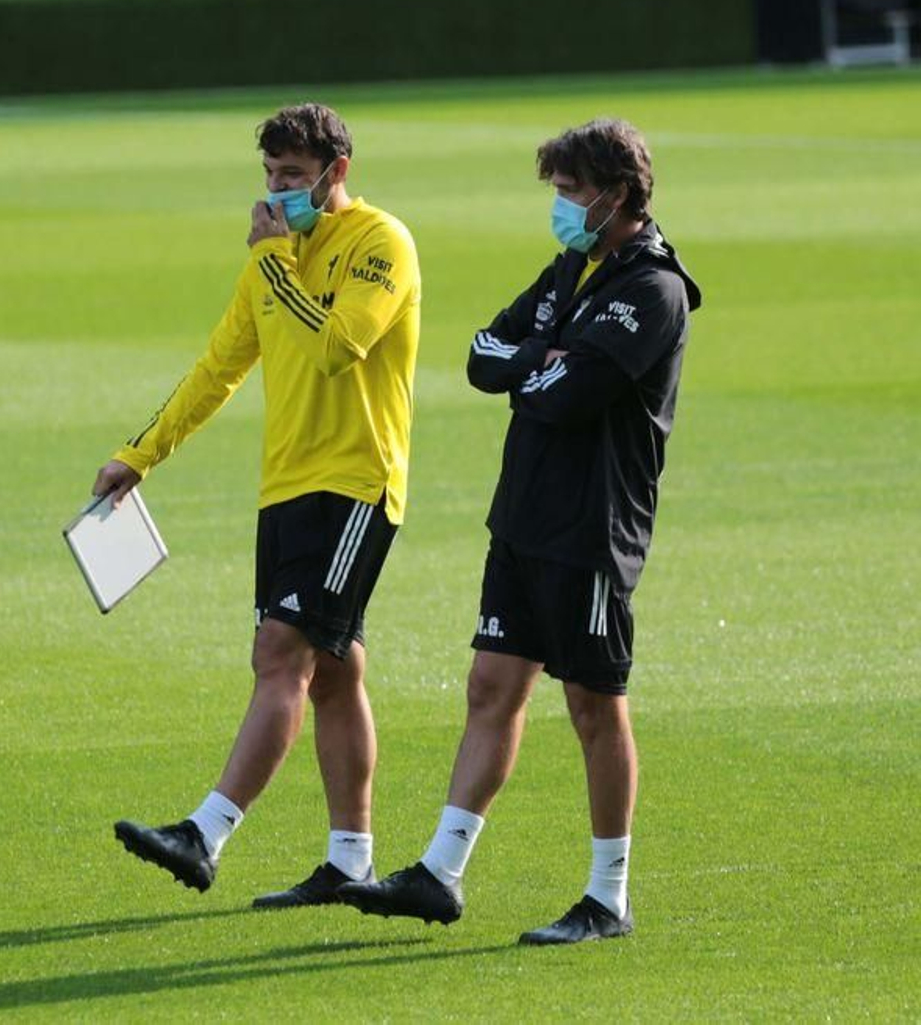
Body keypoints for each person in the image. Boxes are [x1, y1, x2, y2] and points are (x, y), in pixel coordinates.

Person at [338, 118, 700, 944]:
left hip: (592, 530)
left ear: (618, 194)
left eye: (572, 192)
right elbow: (483, 355)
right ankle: (439, 872)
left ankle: (608, 896)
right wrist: (544, 350)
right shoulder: (573, 267)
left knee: (593, 705)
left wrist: (535, 359)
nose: (563, 207)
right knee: (491, 688)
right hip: (525, 517)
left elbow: (561, 393)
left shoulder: (654, 289)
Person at [94, 103, 421, 908]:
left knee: (280, 653)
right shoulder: (269, 263)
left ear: (337, 173)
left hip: (354, 485)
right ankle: (350, 859)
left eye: (295, 177)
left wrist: (276, 262)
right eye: (271, 176)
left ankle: (204, 832)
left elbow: (339, 346)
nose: (278, 193)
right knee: (334, 675)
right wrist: (141, 454)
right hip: (286, 488)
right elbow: (218, 368)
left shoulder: (381, 243)